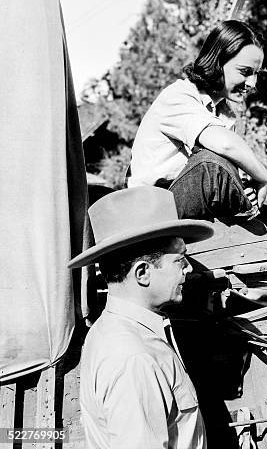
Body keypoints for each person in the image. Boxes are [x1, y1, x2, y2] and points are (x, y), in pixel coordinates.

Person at [129, 20, 267, 328]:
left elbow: (227, 170)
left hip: (206, 210)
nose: (252, 83)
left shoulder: (223, 111)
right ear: (216, 62)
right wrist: (262, 176)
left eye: (257, 74)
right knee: (212, 158)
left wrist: (248, 191)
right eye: (244, 72)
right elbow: (221, 147)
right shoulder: (178, 97)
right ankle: (263, 238)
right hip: (160, 213)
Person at [68, 186, 215, 449]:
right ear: (143, 273)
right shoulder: (134, 357)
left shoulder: (118, 331)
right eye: (180, 260)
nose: (188, 269)